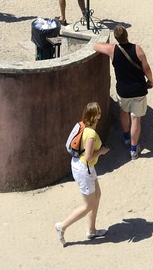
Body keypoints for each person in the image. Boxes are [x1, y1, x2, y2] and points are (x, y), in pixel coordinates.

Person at [93, 26, 153, 156]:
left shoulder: (112, 50)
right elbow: (146, 68)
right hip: (139, 89)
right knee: (136, 119)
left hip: (123, 90)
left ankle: (126, 136)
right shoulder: (137, 49)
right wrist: (150, 81)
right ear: (127, 35)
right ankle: (133, 149)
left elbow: (95, 46)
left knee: (124, 112)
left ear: (116, 38)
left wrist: (109, 44)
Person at [56, 100, 104, 245]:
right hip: (85, 168)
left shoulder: (81, 124)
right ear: (95, 116)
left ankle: (92, 230)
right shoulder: (90, 133)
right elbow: (89, 156)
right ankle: (62, 226)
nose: (100, 114)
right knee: (88, 205)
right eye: (98, 112)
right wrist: (101, 151)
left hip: (80, 165)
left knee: (97, 195)